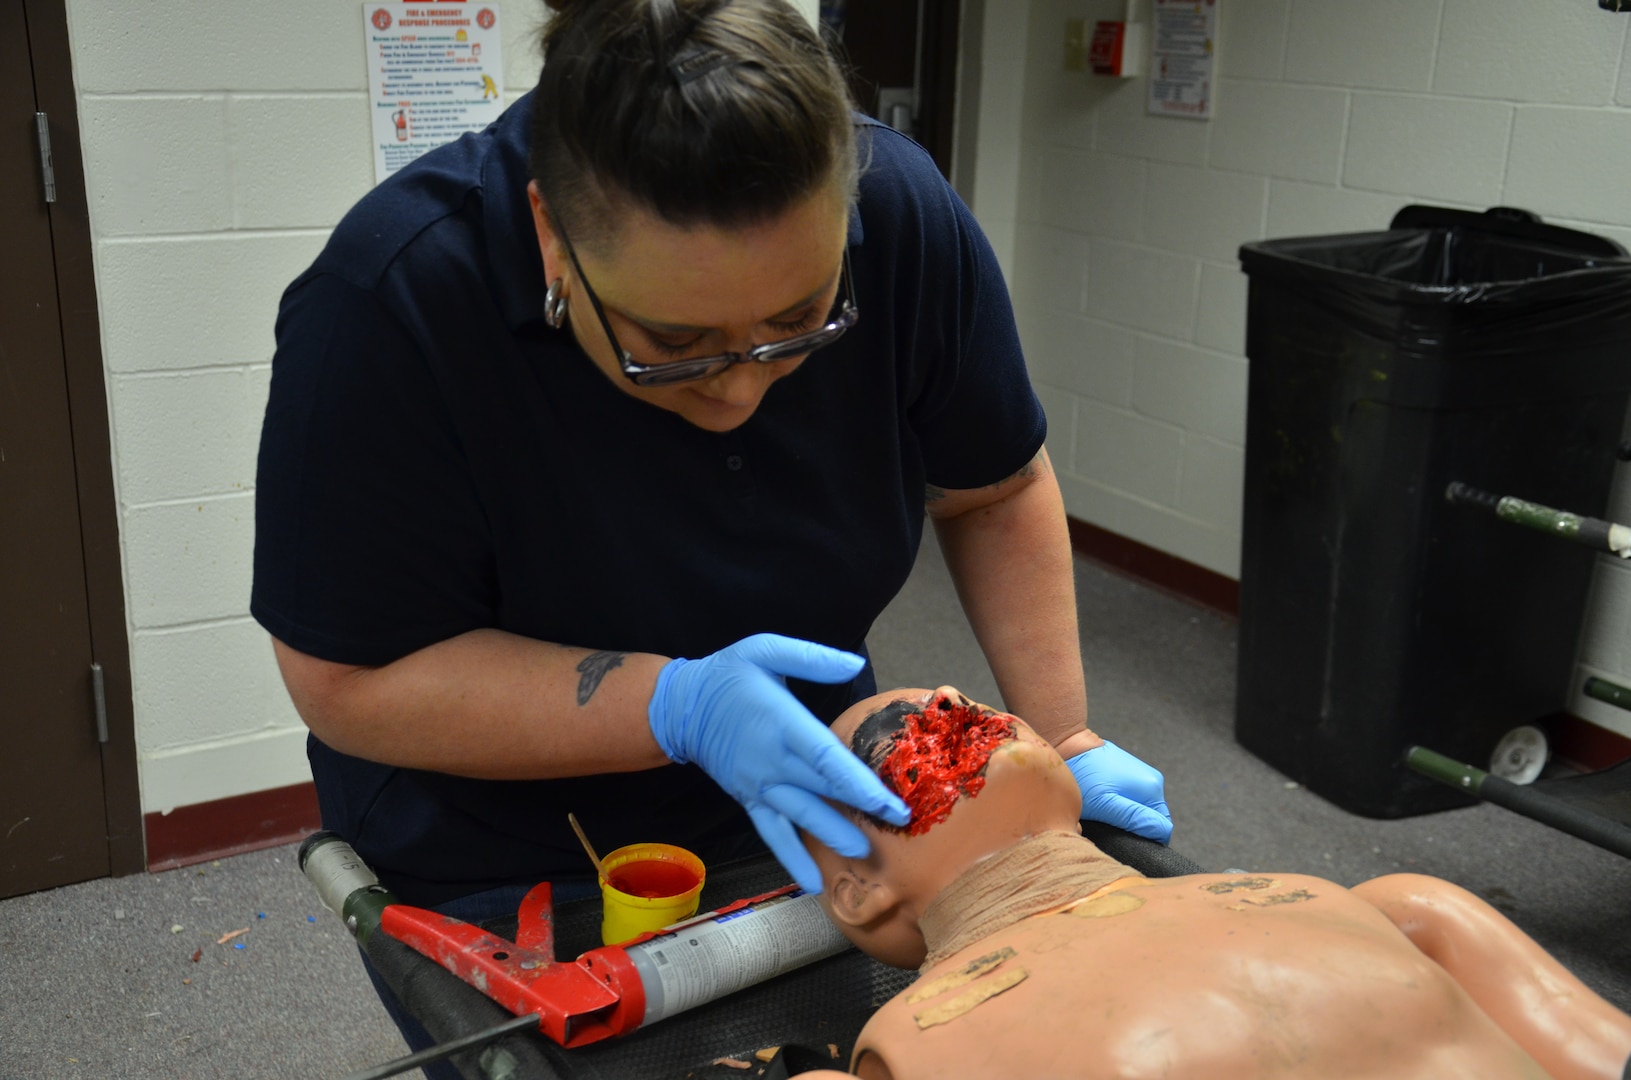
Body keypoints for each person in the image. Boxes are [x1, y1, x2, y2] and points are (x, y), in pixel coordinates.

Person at [252, 0, 1169, 1065]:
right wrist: (673, 705)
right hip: (506, 855)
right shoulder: (388, 303)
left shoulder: (905, 217)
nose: (740, 391)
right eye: (673, 344)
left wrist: (1061, 741)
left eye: (797, 324)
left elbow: (993, 489)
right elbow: (347, 681)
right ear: (553, 236)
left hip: (816, 798)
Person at [798, 687, 1631, 1080]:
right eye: (891, 749)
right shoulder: (1375, 911)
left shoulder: (909, 1048)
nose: (938, 709)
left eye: (967, 714)